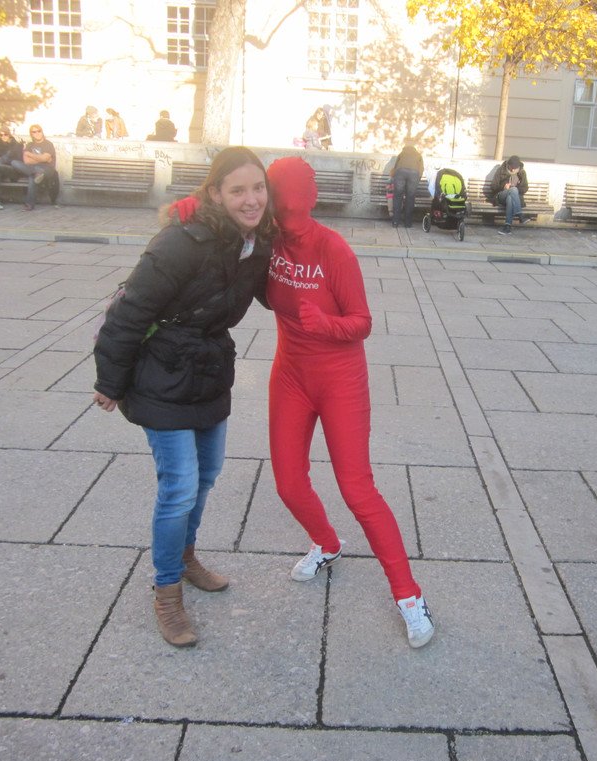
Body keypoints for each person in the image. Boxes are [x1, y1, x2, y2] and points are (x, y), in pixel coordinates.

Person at [93, 146, 275, 648]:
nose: (251, 199)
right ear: (215, 193)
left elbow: (275, 289)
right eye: (238, 190)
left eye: (258, 188)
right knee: (179, 486)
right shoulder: (180, 242)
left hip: (209, 369)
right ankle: (167, 592)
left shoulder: (255, 242)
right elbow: (129, 311)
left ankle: (186, 556)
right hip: (161, 372)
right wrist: (110, 382)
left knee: (207, 475)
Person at [264, 157, 435, 648]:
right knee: (288, 483)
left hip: (340, 380)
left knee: (357, 490)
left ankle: (409, 595)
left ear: (309, 199)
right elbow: (228, 210)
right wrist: (191, 208)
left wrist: (326, 325)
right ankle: (327, 543)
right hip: (290, 375)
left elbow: (362, 322)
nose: (289, 208)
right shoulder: (266, 241)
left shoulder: (333, 249)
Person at [11, 125, 57, 211]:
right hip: (33, 169)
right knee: (14, 163)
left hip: (46, 169)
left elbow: (45, 158)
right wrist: (42, 159)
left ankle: (29, 204)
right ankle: (36, 173)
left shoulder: (48, 144)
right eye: (34, 132)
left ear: (42, 132)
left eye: (39, 131)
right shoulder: (30, 145)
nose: (37, 133)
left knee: (33, 176)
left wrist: (30, 154)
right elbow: (26, 161)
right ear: (31, 134)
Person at [487, 155, 531, 235]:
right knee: (513, 191)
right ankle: (520, 214)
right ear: (508, 165)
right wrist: (503, 187)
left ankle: (507, 227)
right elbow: (493, 186)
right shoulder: (501, 170)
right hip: (501, 196)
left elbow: (525, 188)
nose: (513, 170)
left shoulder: (522, 173)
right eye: (511, 167)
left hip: (514, 198)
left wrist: (515, 188)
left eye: (515, 168)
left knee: (510, 198)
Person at [389, 142, 423, 228]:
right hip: (414, 174)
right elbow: (421, 169)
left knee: (397, 197)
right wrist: (417, 179)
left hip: (400, 172)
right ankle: (408, 223)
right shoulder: (418, 155)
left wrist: (393, 177)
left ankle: (395, 222)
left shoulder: (402, 153)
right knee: (410, 198)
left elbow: (396, 167)